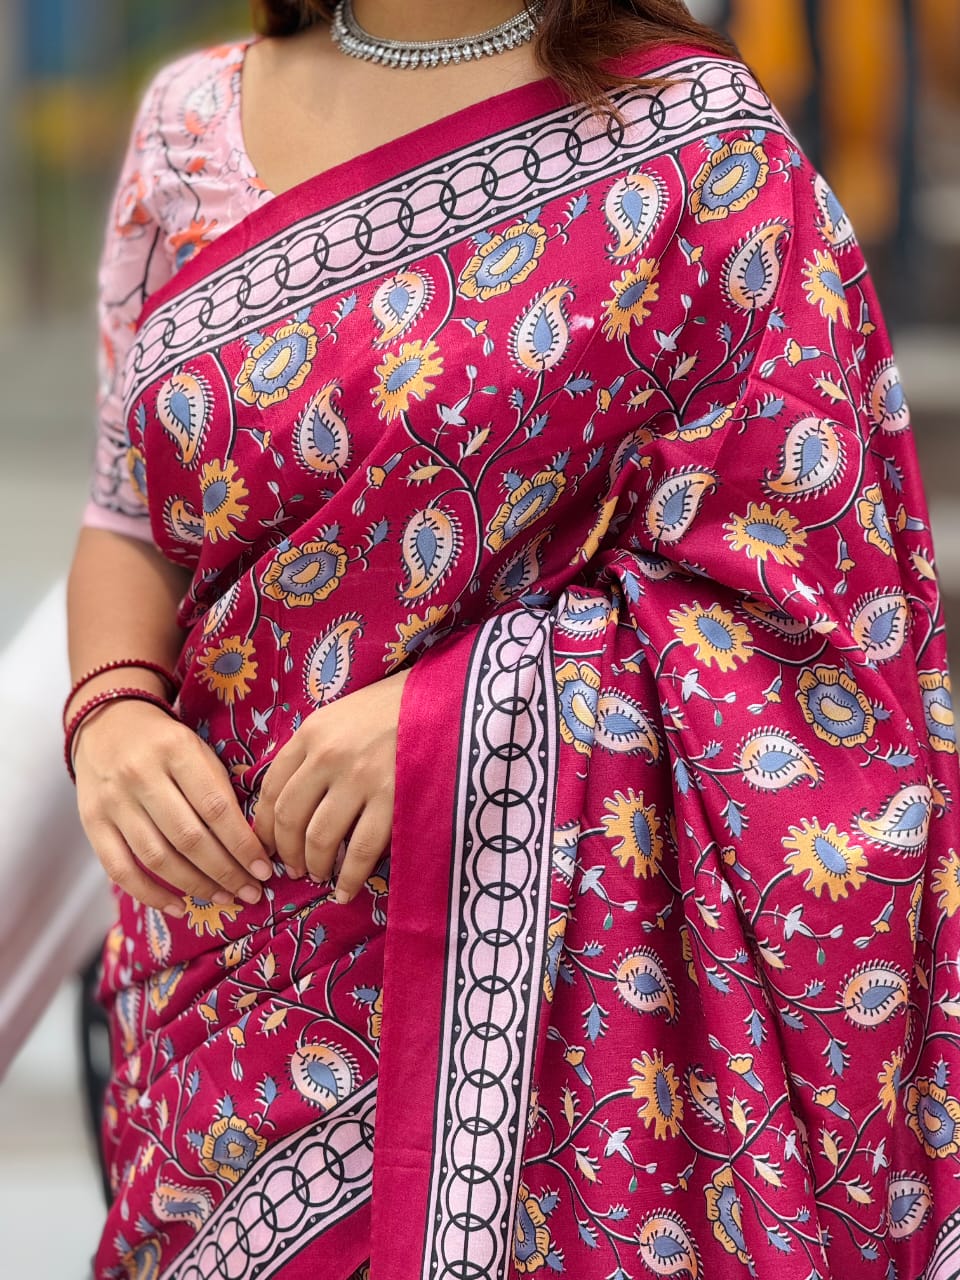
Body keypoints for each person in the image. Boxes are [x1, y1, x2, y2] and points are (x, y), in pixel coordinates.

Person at [65, 2, 960, 1276]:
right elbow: (129, 516)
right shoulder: (188, 124)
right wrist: (110, 713)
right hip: (223, 978)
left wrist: (460, 720)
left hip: (573, 1006)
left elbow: (818, 628)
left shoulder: (700, 148)